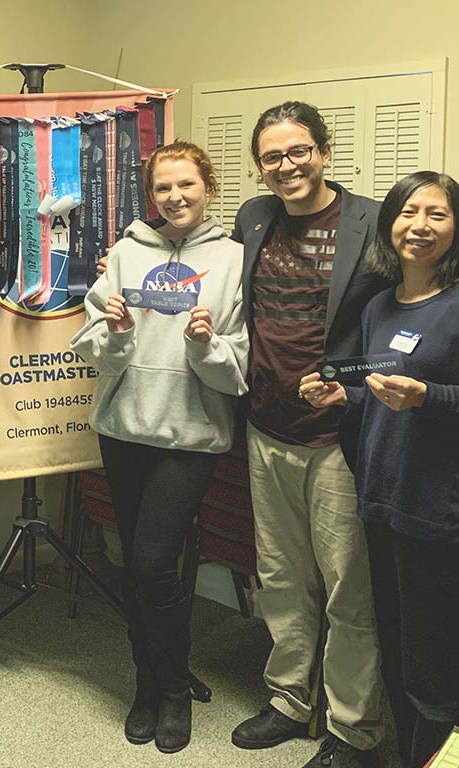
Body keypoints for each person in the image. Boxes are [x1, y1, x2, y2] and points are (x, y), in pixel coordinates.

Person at [71, 140, 249, 753]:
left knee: (154, 563)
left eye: (186, 185)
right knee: (132, 561)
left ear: (209, 187)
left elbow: (238, 371)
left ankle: (174, 689)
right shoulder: (125, 253)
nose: (175, 197)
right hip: (124, 428)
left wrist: (204, 344)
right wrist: (118, 333)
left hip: (191, 434)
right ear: (151, 194)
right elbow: (95, 352)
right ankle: (145, 683)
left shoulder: (233, 259)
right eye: (163, 187)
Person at [229, 101, 391, 768]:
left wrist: (357, 386)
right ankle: (290, 699)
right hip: (267, 428)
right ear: (259, 166)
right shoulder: (253, 217)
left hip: (338, 437)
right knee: (280, 576)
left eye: (299, 151)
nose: (287, 165)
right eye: (272, 156)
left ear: (324, 151)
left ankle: (353, 729)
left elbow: (408, 317)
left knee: (349, 590)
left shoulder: (374, 220)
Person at [299, 171, 459, 768]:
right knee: (394, 647)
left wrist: (428, 398)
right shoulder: (379, 307)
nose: (419, 226)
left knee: (434, 664)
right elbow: (377, 395)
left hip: (437, 511)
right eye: (408, 212)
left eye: (437, 214)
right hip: (381, 498)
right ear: (389, 223)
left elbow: (423, 398)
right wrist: (344, 396)